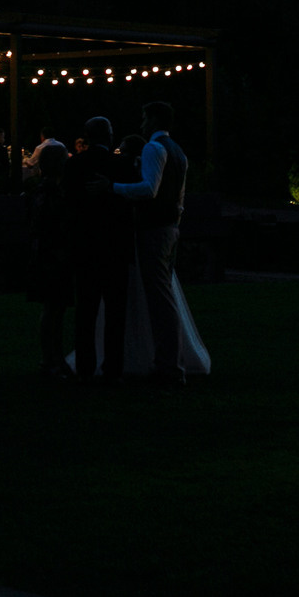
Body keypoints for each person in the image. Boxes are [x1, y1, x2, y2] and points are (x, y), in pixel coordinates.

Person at [113, 100, 205, 385]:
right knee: (164, 296)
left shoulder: (154, 148)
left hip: (154, 229)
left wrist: (113, 188)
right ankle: (170, 361)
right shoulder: (179, 152)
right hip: (171, 229)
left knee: (159, 298)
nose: (141, 124)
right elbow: (179, 198)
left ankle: (168, 366)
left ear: (152, 120)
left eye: (144, 118)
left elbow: (149, 189)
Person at [67, 116, 131, 383]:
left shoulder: (75, 165)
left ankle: (84, 365)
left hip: (85, 245)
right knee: (116, 312)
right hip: (115, 247)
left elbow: (68, 204)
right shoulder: (122, 166)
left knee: (85, 310)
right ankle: (113, 367)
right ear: (110, 135)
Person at [26, 144, 73, 378]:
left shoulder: (45, 189)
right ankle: (50, 358)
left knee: (55, 309)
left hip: (49, 253)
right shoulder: (50, 191)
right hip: (52, 254)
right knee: (53, 308)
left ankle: (54, 357)